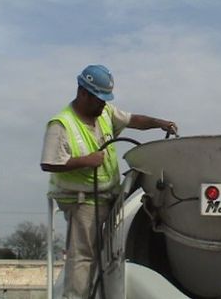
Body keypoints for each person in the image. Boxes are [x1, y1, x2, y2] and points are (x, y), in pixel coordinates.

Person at [40, 64, 177, 299]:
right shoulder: (61, 124)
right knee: (83, 256)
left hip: (109, 198)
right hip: (83, 202)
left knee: (107, 257)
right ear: (83, 93)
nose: (103, 104)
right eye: (98, 99)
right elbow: (49, 162)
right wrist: (86, 160)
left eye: (105, 99)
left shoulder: (104, 113)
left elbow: (133, 120)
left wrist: (159, 123)